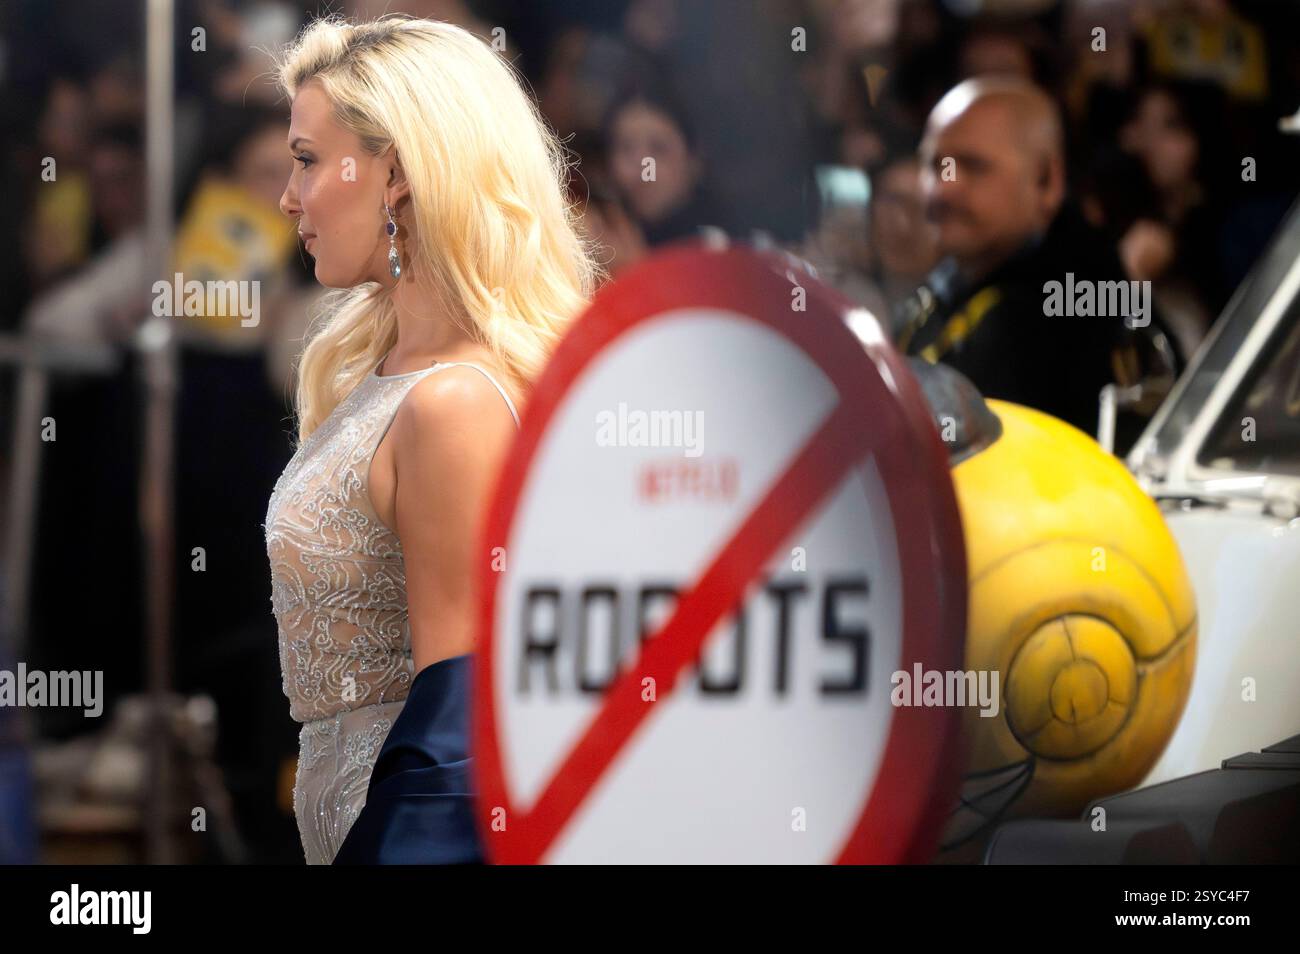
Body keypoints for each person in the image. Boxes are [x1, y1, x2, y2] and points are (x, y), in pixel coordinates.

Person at [264, 14, 601, 864]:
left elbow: (460, 743)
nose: (287, 197)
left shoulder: (456, 403)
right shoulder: (380, 368)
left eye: (307, 160)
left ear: (401, 174)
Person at [896, 77, 1140, 439]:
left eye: (974, 166)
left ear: (1046, 180)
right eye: (935, 164)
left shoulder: (1083, 307)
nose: (943, 187)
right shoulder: (944, 289)